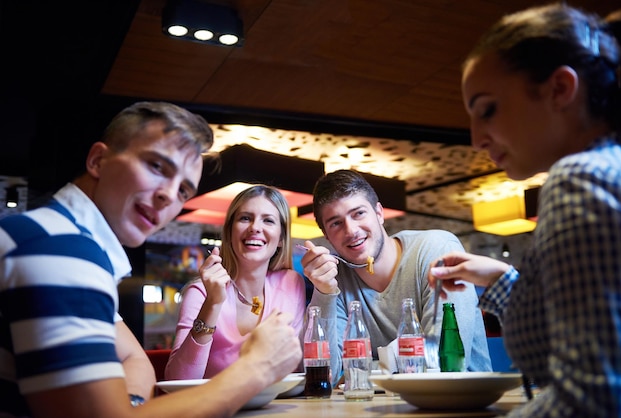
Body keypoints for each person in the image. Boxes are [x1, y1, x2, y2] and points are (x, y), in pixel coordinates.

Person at [0, 101, 302, 418]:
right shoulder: (58, 251)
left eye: (184, 190)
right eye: (157, 166)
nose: (169, 196)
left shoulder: (65, 243)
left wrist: (127, 406)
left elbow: (136, 360)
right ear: (98, 160)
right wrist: (256, 370)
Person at [429, 4, 621, 416]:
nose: (477, 139)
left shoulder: (579, 179)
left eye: (487, 110)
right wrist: (502, 279)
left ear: (559, 89)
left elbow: (593, 400)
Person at [300, 169, 492, 386]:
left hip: (463, 401)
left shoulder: (436, 250)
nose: (351, 230)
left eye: (358, 213)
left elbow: (442, 359)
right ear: (326, 236)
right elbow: (325, 376)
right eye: (336, 223)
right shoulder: (337, 280)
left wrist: (361, 368)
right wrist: (323, 291)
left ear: (379, 213)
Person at [165, 185, 306, 379]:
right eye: (245, 218)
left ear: (281, 238)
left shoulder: (291, 282)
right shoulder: (200, 291)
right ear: (230, 232)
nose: (255, 227)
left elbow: (300, 366)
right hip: (217, 407)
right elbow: (178, 380)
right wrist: (212, 303)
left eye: (268, 220)